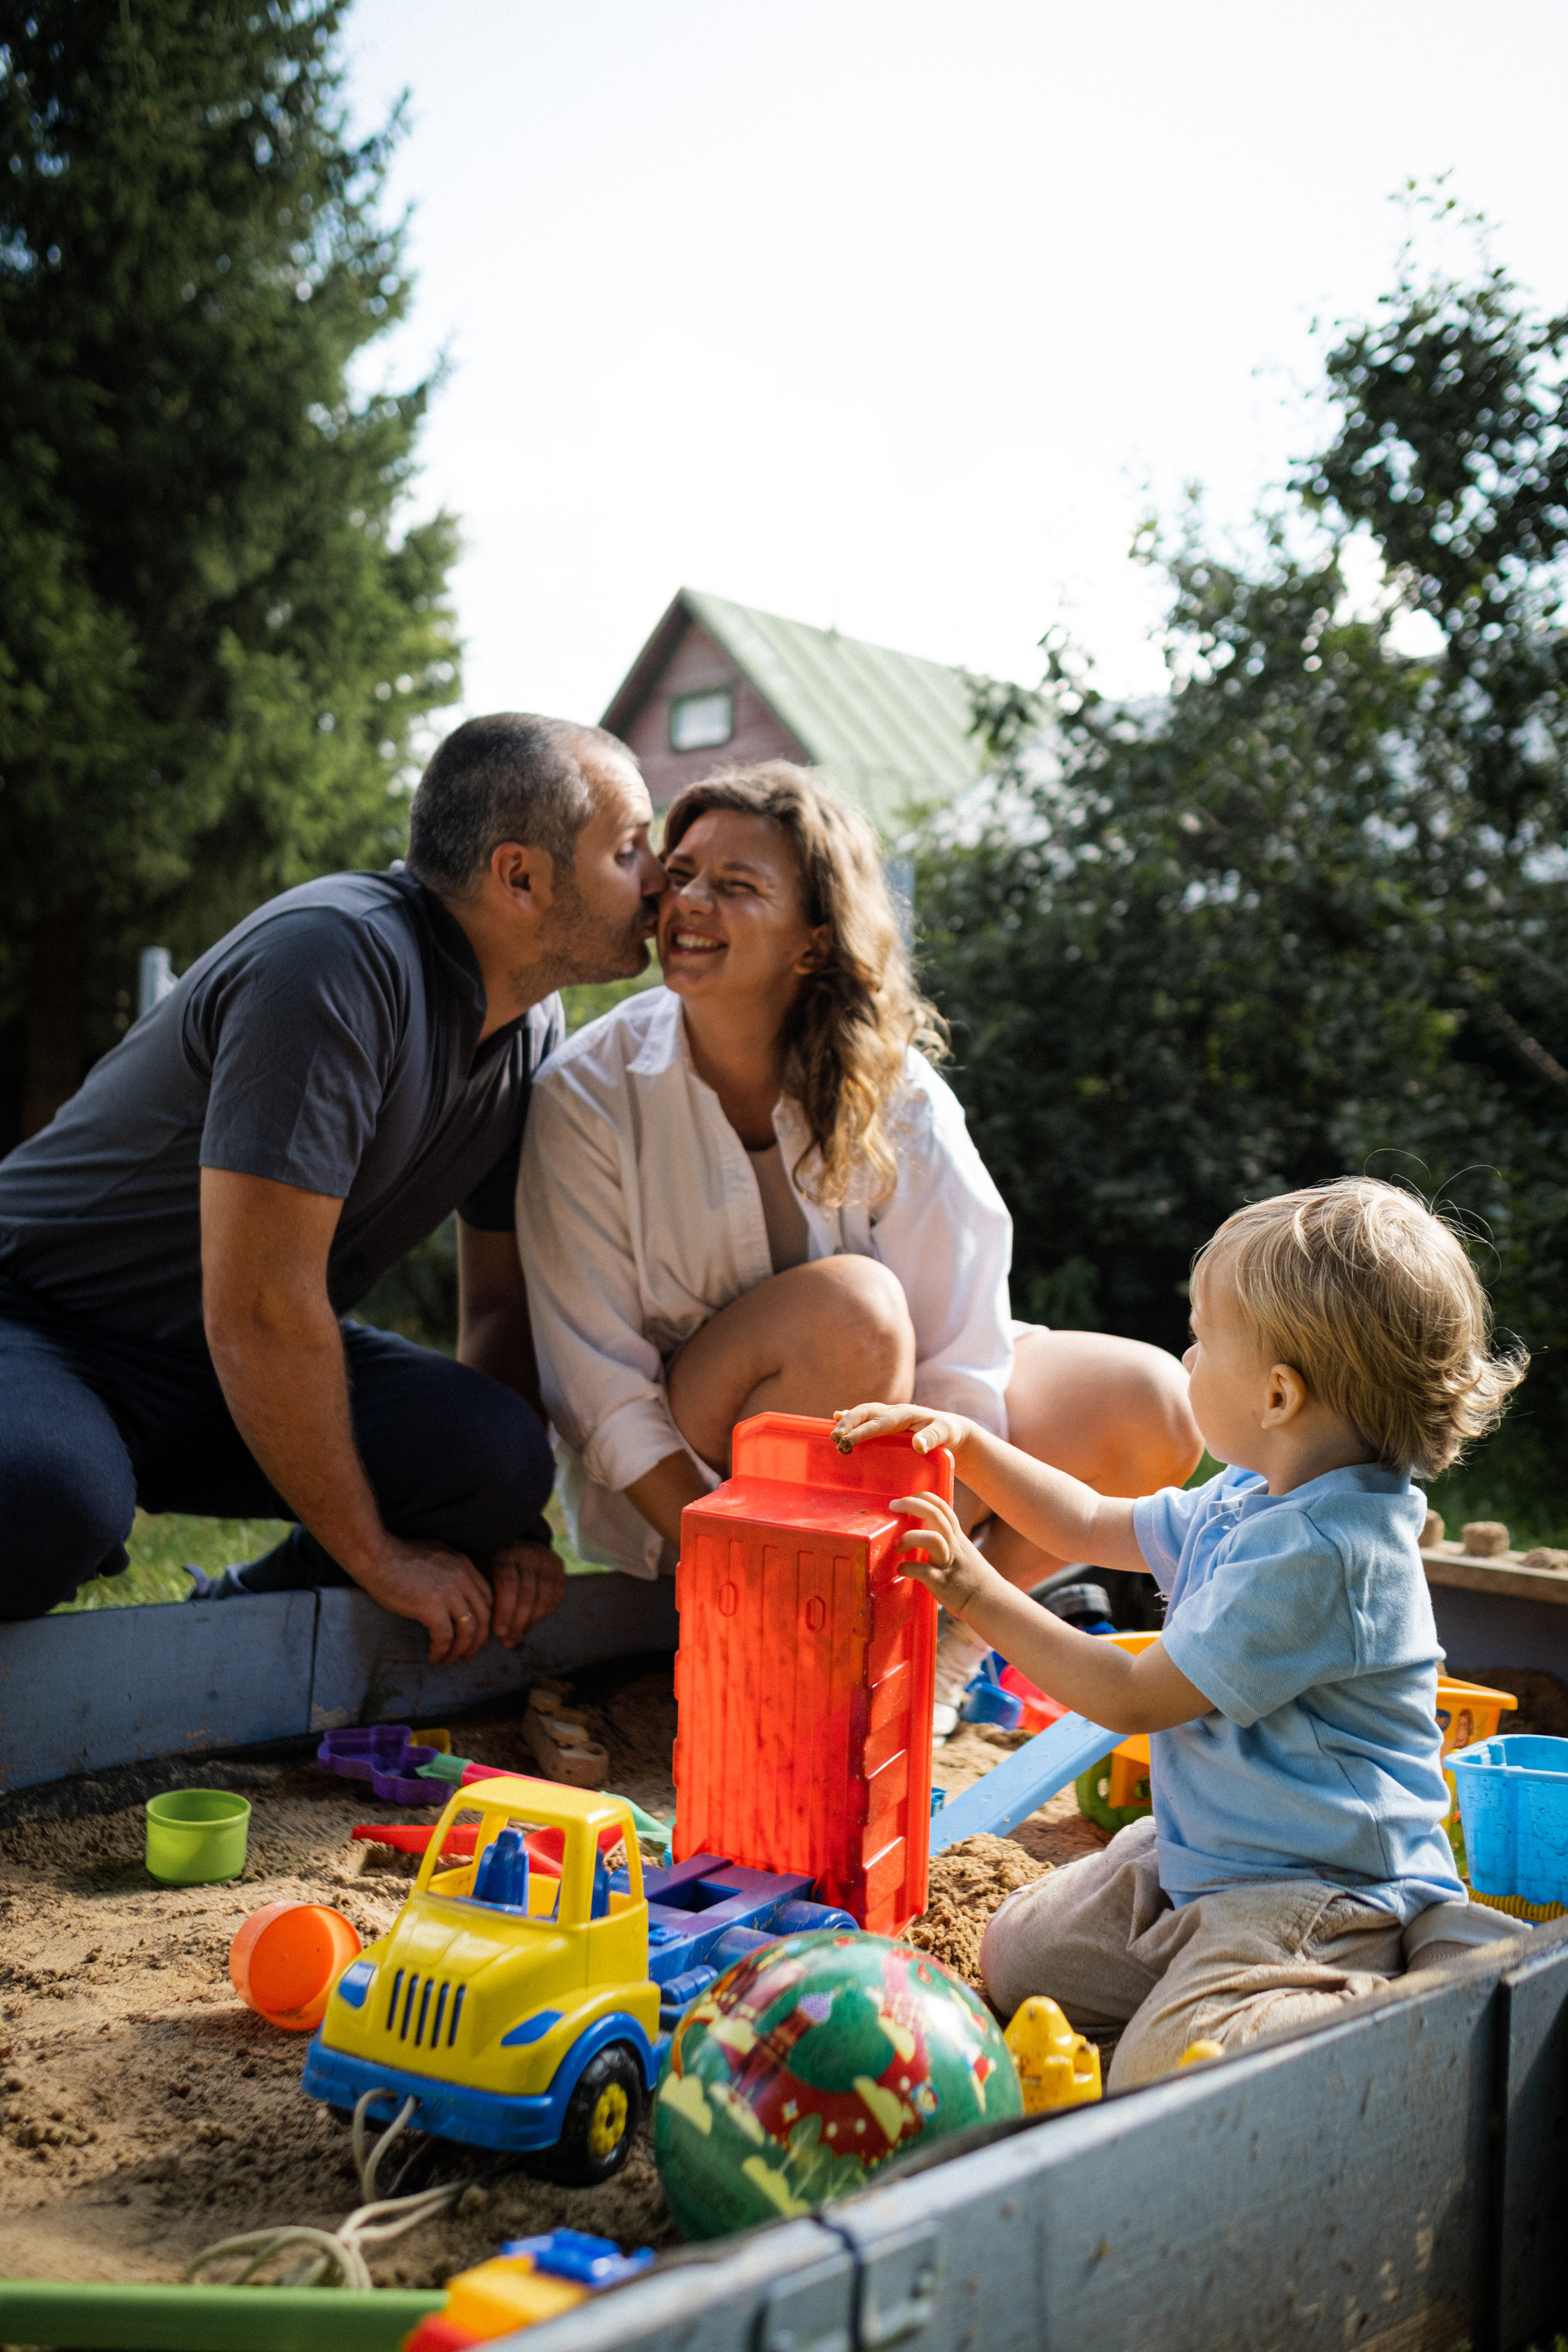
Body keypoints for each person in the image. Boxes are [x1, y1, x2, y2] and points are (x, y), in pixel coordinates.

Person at [517, 761, 1201, 1729]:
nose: (687, 901)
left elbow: (964, 1359)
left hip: (887, 1454)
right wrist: (711, 1550)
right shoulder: (589, 1092)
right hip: (698, 1470)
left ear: (815, 943)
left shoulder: (898, 1092)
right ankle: (760, 1637)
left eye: (737, 885)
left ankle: (938, 1649)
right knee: (856, 1313)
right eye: (681, 872)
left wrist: (925, 1563)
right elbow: (599, 1386)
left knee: (1153, 1405)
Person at [834, 1176, 1532, 2086]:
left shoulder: (1325, 1555)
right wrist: (965, 1442)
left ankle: (1402, 1994)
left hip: (1318, 1893)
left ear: (1278, 1395)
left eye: (1201, 1343)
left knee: (1168, 2069)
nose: (1185, 1358)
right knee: (1016, 1958)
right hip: (1209, 1859)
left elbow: (1131, 1697)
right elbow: (1088, 1521)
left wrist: (973, 1586)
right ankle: (1210, 1972)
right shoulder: (1253, 1491)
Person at [0, 713, 665, 1661]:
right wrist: (385, 1559)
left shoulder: (531, 1029)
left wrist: (509, 1531)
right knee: (42, 1500)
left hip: (221, 1360)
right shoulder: (332, 959)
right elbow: (264, 1309)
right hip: (43, 1323)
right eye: (631, 849)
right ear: (520, 876)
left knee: (496, 1460)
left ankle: (233, 1616)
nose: (658, 880)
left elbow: (500, 1306)